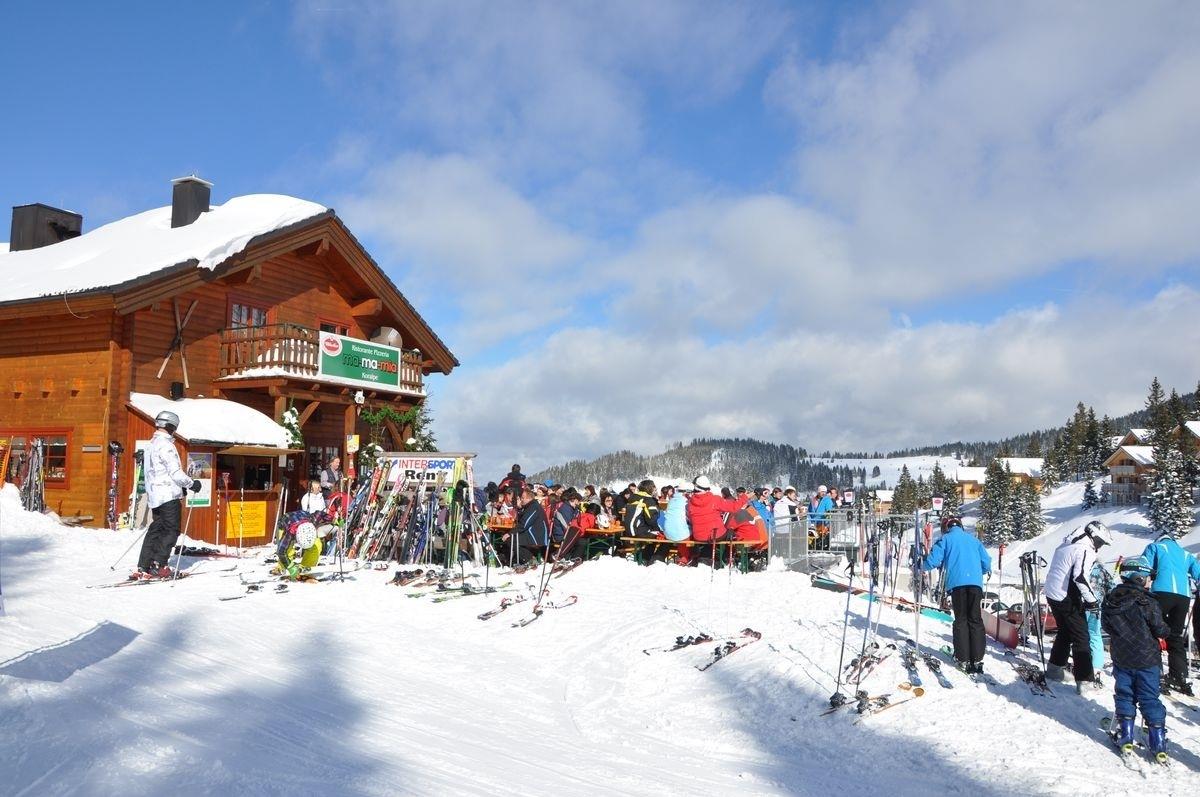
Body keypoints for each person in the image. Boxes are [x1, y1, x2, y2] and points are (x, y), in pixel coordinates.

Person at [1103, 555, 1170, 760]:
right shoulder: (1147, 601)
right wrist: (1167, 629)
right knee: (1149, 697)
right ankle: (1158, 741)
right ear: (1139, 578)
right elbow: (1160, 629)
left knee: (1125, 694)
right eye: (1149, 577)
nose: (1150, 581)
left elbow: (1106, 626)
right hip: (1147, 660)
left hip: (1122, 658)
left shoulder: (1111, 599)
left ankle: (1126, 734)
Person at [921, 511, 991, 674]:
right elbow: (987, 563)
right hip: (975, 584)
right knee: (975, 619)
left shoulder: (945, 539)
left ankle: (963, 658)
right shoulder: (974, 541)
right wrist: (976, 572)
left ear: (947, 528)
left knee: (961, 620)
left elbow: (933, 561)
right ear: (961, 527)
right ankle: (977, 659)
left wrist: (920, 565)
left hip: (957, 584)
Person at [1043, 521, 1111, 689]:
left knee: (1065, 631)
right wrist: (1092, 600)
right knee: (1081, 636)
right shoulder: (1085, 549)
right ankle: (1085, 681)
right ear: (1094, 537)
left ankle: (1054, 670)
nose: (1100, 547)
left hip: (1052, 593)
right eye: (1100, 542)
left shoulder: (1067, 544)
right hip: (1066, 595)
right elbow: (1080, 577)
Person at [135, 410, 202, 578]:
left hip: (155, 495)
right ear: (171, 426)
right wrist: (192, 484)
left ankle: (144, 565)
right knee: (171, 530)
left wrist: (180, 487)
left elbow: (156, 472)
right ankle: (159, 565)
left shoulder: (151, 444)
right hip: (168, 496)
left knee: (156, 529)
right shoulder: (166, 445)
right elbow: (175, 472)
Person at [1141, 528, 1200, 695]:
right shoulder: (1186, 554)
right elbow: (1198, 573)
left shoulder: (1155, 547)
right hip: (1183, 596)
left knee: (1152, 632)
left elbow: (1143, 567)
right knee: (1175, 635)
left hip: (1162, 592)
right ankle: (1179, 676)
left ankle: (1156, 674)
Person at [686, 475, 747, 565]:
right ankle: (726, 559)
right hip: (715, 535)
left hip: (698, 536)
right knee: (730, 532)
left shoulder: (690, 502)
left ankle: (706, 557)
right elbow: (734, 507)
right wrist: (744, 497)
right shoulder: (715, 500)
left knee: (709, 538)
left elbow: (690, 518)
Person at [502, 487, 549, 566]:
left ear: (529, 498)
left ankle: (530, 559)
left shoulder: (534, 507)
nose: (521, 500)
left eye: (523, 498)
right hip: (531, 533)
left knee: (512, 540)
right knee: (512, 538)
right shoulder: (528, 507)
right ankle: (517, 560)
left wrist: (510, 533)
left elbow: (524, 524)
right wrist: (519, 508)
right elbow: (520, 521)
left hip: (537, 535)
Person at [1088, 557, 1115, 686]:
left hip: (1082, 606)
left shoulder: (1081, 568)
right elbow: (1112, 588)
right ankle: (1096, 665)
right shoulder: (1102, 571)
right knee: (1095, 635)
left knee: (1080, 635)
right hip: (1097, 607)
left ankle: (1082, 663)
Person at [809, 485, 835, 551]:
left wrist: (827, 517)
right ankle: (812, 548)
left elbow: (829, 511)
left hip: (823, 522)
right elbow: (810, 510)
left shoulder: (827, 500)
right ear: (818, 492)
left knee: (821, 537)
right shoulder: (813, 500)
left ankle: (821, 548)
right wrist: (810, 519)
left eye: (824, 492)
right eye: (822, 492)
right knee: (812, 536)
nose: (823, 493)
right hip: (813, 522)